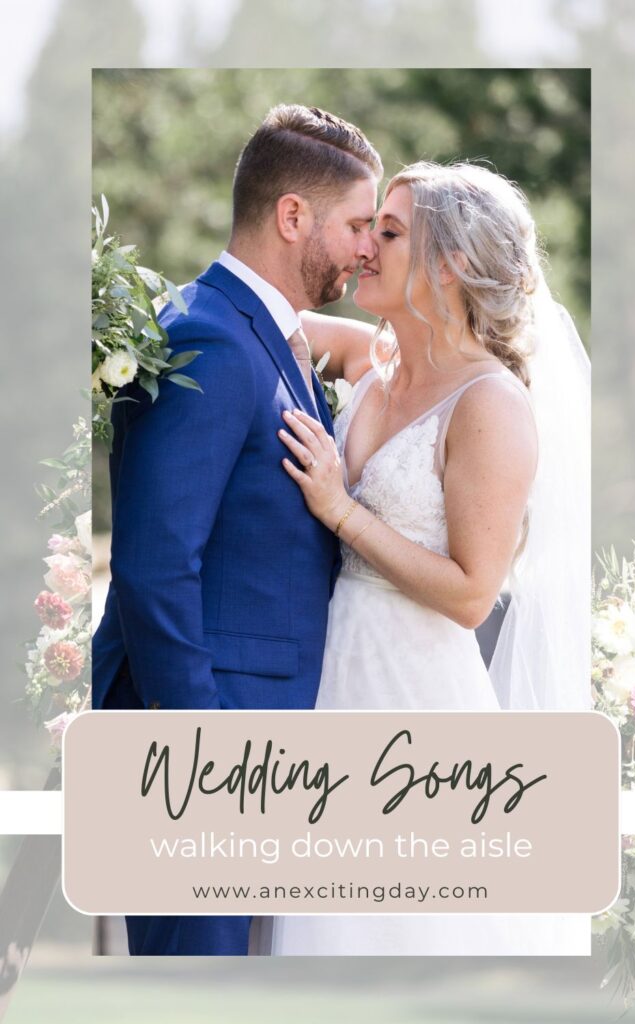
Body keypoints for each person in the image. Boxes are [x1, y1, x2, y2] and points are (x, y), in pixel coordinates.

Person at [269, 160, 590, 955]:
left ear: (449, 264)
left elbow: (473, 594)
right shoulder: (373, 363)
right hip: (330, 684)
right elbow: (268, 323)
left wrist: (340, 509)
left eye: (388, 232)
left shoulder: (489, 404)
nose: (364, 248)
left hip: (413, 702)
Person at [91, 104, 382, 956]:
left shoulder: (261, 332)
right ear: (292, 216)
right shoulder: (211, 340)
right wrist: (203, 745)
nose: (367, 247)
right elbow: (154, 565)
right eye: (356, 225)